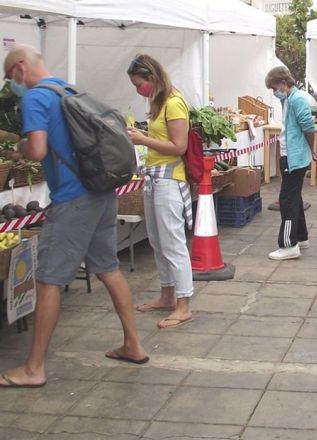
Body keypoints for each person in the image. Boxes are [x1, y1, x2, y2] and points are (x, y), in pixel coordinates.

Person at [0, 45, 148, 387]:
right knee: (108, 269)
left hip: (71, 200)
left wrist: (20, 147)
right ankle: (133, 344)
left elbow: (36, 149)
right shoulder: (67, 88)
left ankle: (34, 368)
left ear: (20, 67)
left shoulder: (36, 98)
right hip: (101, 192)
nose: (12, 84)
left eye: (11, 77)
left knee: (49, 279)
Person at [127, 54, 194, 329]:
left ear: (152, 78)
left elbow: (179, 146)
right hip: (155, 179)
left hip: (169, 180)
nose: (137, 89)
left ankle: (183, 303)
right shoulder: (158, 103)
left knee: (173, 242)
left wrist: (143, 139)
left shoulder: (174, 103)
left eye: (138, 84)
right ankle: (167, 294)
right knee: (157, 240)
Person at [265, 67, 317, 260]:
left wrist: (313, 149)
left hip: (294, 158)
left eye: (273, 88)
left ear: (283, 84)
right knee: (295, 197)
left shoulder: (296, 99)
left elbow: (308, 127)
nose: (273, 92)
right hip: (293, 156)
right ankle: (301, 238)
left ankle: (288, 244)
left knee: (287, 200)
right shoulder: (288, 99)